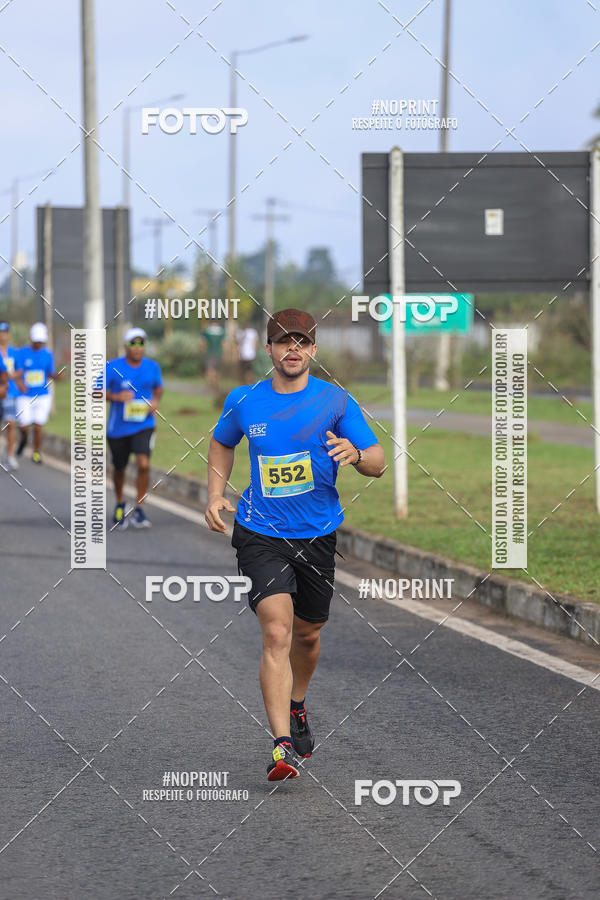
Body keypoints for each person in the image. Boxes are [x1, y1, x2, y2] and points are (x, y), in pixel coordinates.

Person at [205, 308, 385, 781]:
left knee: (307, 634)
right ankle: (282, 744)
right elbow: (222, 442)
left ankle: (298, 702)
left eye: (302, 342)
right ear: (268, 349)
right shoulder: (245, 400)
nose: (293, 350)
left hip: (318, 535)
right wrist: (215, 493)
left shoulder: (336, 401)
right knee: (278, 633)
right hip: (261, 534)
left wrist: (358, 455)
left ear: (313, 350)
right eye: (284, 342)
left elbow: (379, 461)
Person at [104, 327, 163, 529]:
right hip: (117, 428)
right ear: (126, 346)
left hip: (144, 425)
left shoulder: (152, 367)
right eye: (133, 343)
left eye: (141, 343)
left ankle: (139, 508)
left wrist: (155, 401)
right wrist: (115, 397)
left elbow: (158, 387)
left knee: (144, 464)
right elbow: (95, 392)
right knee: (119, 468)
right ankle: (120, 502)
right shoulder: (112, 367)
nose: (137, 348)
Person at [15, 322, 62, 464]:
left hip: (42, 396)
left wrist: (58, 376)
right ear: (31, 339)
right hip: (25, 396)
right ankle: (23, 438)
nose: (38, 344)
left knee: (38, 426)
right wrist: (20, 384)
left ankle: (36, 452)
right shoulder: (22, 353)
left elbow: (50, 373)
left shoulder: (47, 354)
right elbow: (16, 373)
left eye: (40, 342)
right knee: (24, 425)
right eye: (36, 341)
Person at [0, 322, 20, 469]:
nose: (3, 335)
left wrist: (12, 377)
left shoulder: (14, 352)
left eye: (5, 332)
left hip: (9, 393)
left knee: (10, 423)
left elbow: (21, 370)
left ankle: (11, 455)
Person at [201, 321, 225, 393]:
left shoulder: (207, 330)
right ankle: (216, 385)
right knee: (217, 370)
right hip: (219, 353)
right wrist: (225, 353)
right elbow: (224, 343)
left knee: (209, 370)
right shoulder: (221, 331)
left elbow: (203, 342)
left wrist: (202, 350)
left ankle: (210, 385)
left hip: (209, 352)